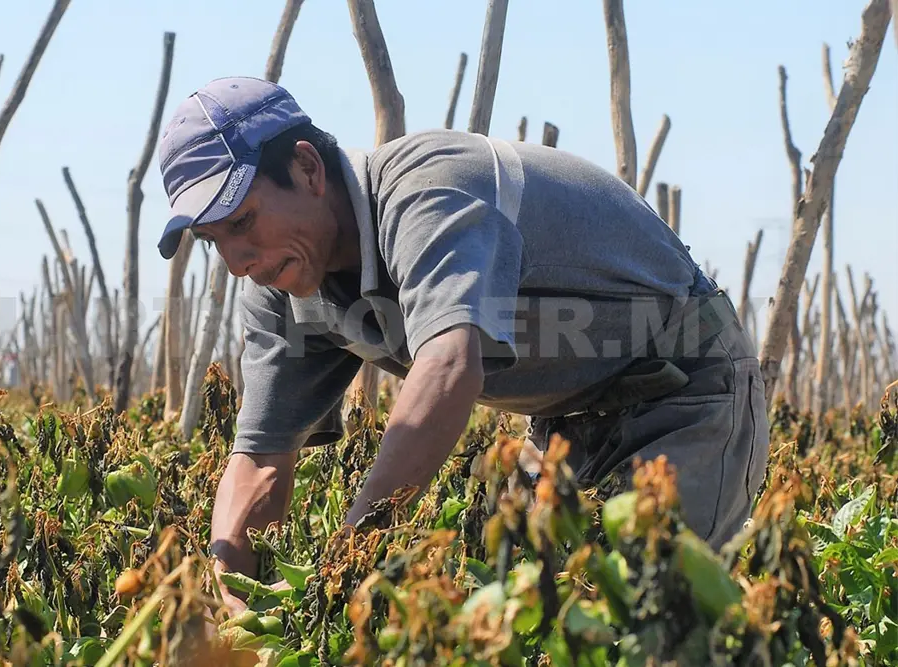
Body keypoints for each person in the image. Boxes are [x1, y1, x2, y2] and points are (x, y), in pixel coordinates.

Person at [154, 76, 771, 615]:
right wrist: (227, 588)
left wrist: (350, 556)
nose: (237, 262)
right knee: (531, 618)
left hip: (690, 388)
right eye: (215, 241)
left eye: (242, 222)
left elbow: (449, 366)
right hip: (565, 420)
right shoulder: (280, 277)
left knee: (634, 616)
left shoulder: (429, 190)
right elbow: (261, 455)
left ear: (310, 170)